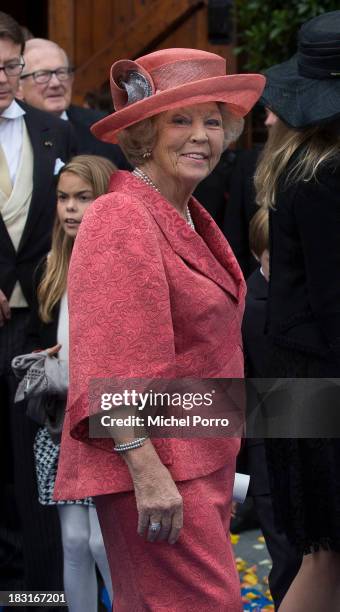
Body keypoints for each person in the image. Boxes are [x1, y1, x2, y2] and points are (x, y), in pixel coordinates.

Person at [53, 47, 265, 610]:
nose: (202, 136)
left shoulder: (185, 212)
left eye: (213, 121)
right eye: (181, 119)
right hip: (155, 468)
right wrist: (146, 471)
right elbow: (109, 364)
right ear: (144, 132)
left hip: (200, 458)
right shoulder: (121, 215)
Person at [255, 11, 340, 611]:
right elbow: (334, 303)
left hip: (304, 372)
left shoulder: (306, 166)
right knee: (324, 555)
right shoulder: (324, 174)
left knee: (324, 555)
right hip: (320, 378)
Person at [0, 10, 75, 594]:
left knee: (37, 477)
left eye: (9, 67)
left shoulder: (56, 132)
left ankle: (39, 600)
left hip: (40, 326)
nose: (3, 79)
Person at [25, 155, 115, 612]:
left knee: (105, 544)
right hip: (60, 422)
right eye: (63, 198)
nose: (70, 209)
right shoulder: (52, 266)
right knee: (75, 541)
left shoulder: (115, 266)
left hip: (105, 419)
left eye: (83, 197)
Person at [242, 209, 301, 609]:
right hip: (273, 450)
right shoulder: (254, 308)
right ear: (256, 254)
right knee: (288, 558)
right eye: (275, 258)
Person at [18, 38, 130, 169]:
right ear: (18, 86)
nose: (56, 83)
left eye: (61, 72)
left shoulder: (102, 128)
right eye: (42, 75)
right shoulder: (11, 131)